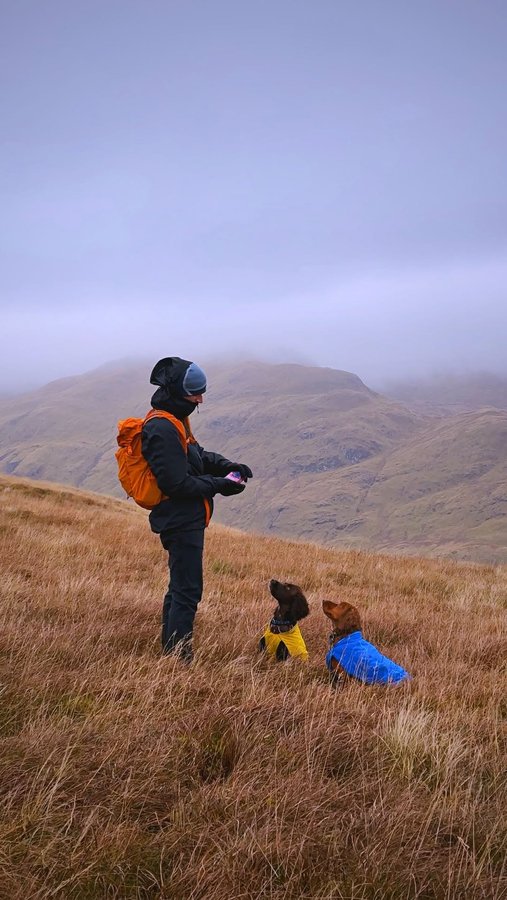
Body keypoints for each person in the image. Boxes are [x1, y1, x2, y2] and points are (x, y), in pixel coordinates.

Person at [141, 356, 253, 662]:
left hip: (188, 518)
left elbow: (198, 455)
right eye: (195, 394)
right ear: (177, 391)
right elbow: (177, 484)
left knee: (180, 587)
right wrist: (219, 484)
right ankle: (179, 657)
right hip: (179, 520)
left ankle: (171, 651)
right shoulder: (162, 428)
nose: (200, 399)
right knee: (188, 591)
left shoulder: (176, 421)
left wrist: (229, 466)